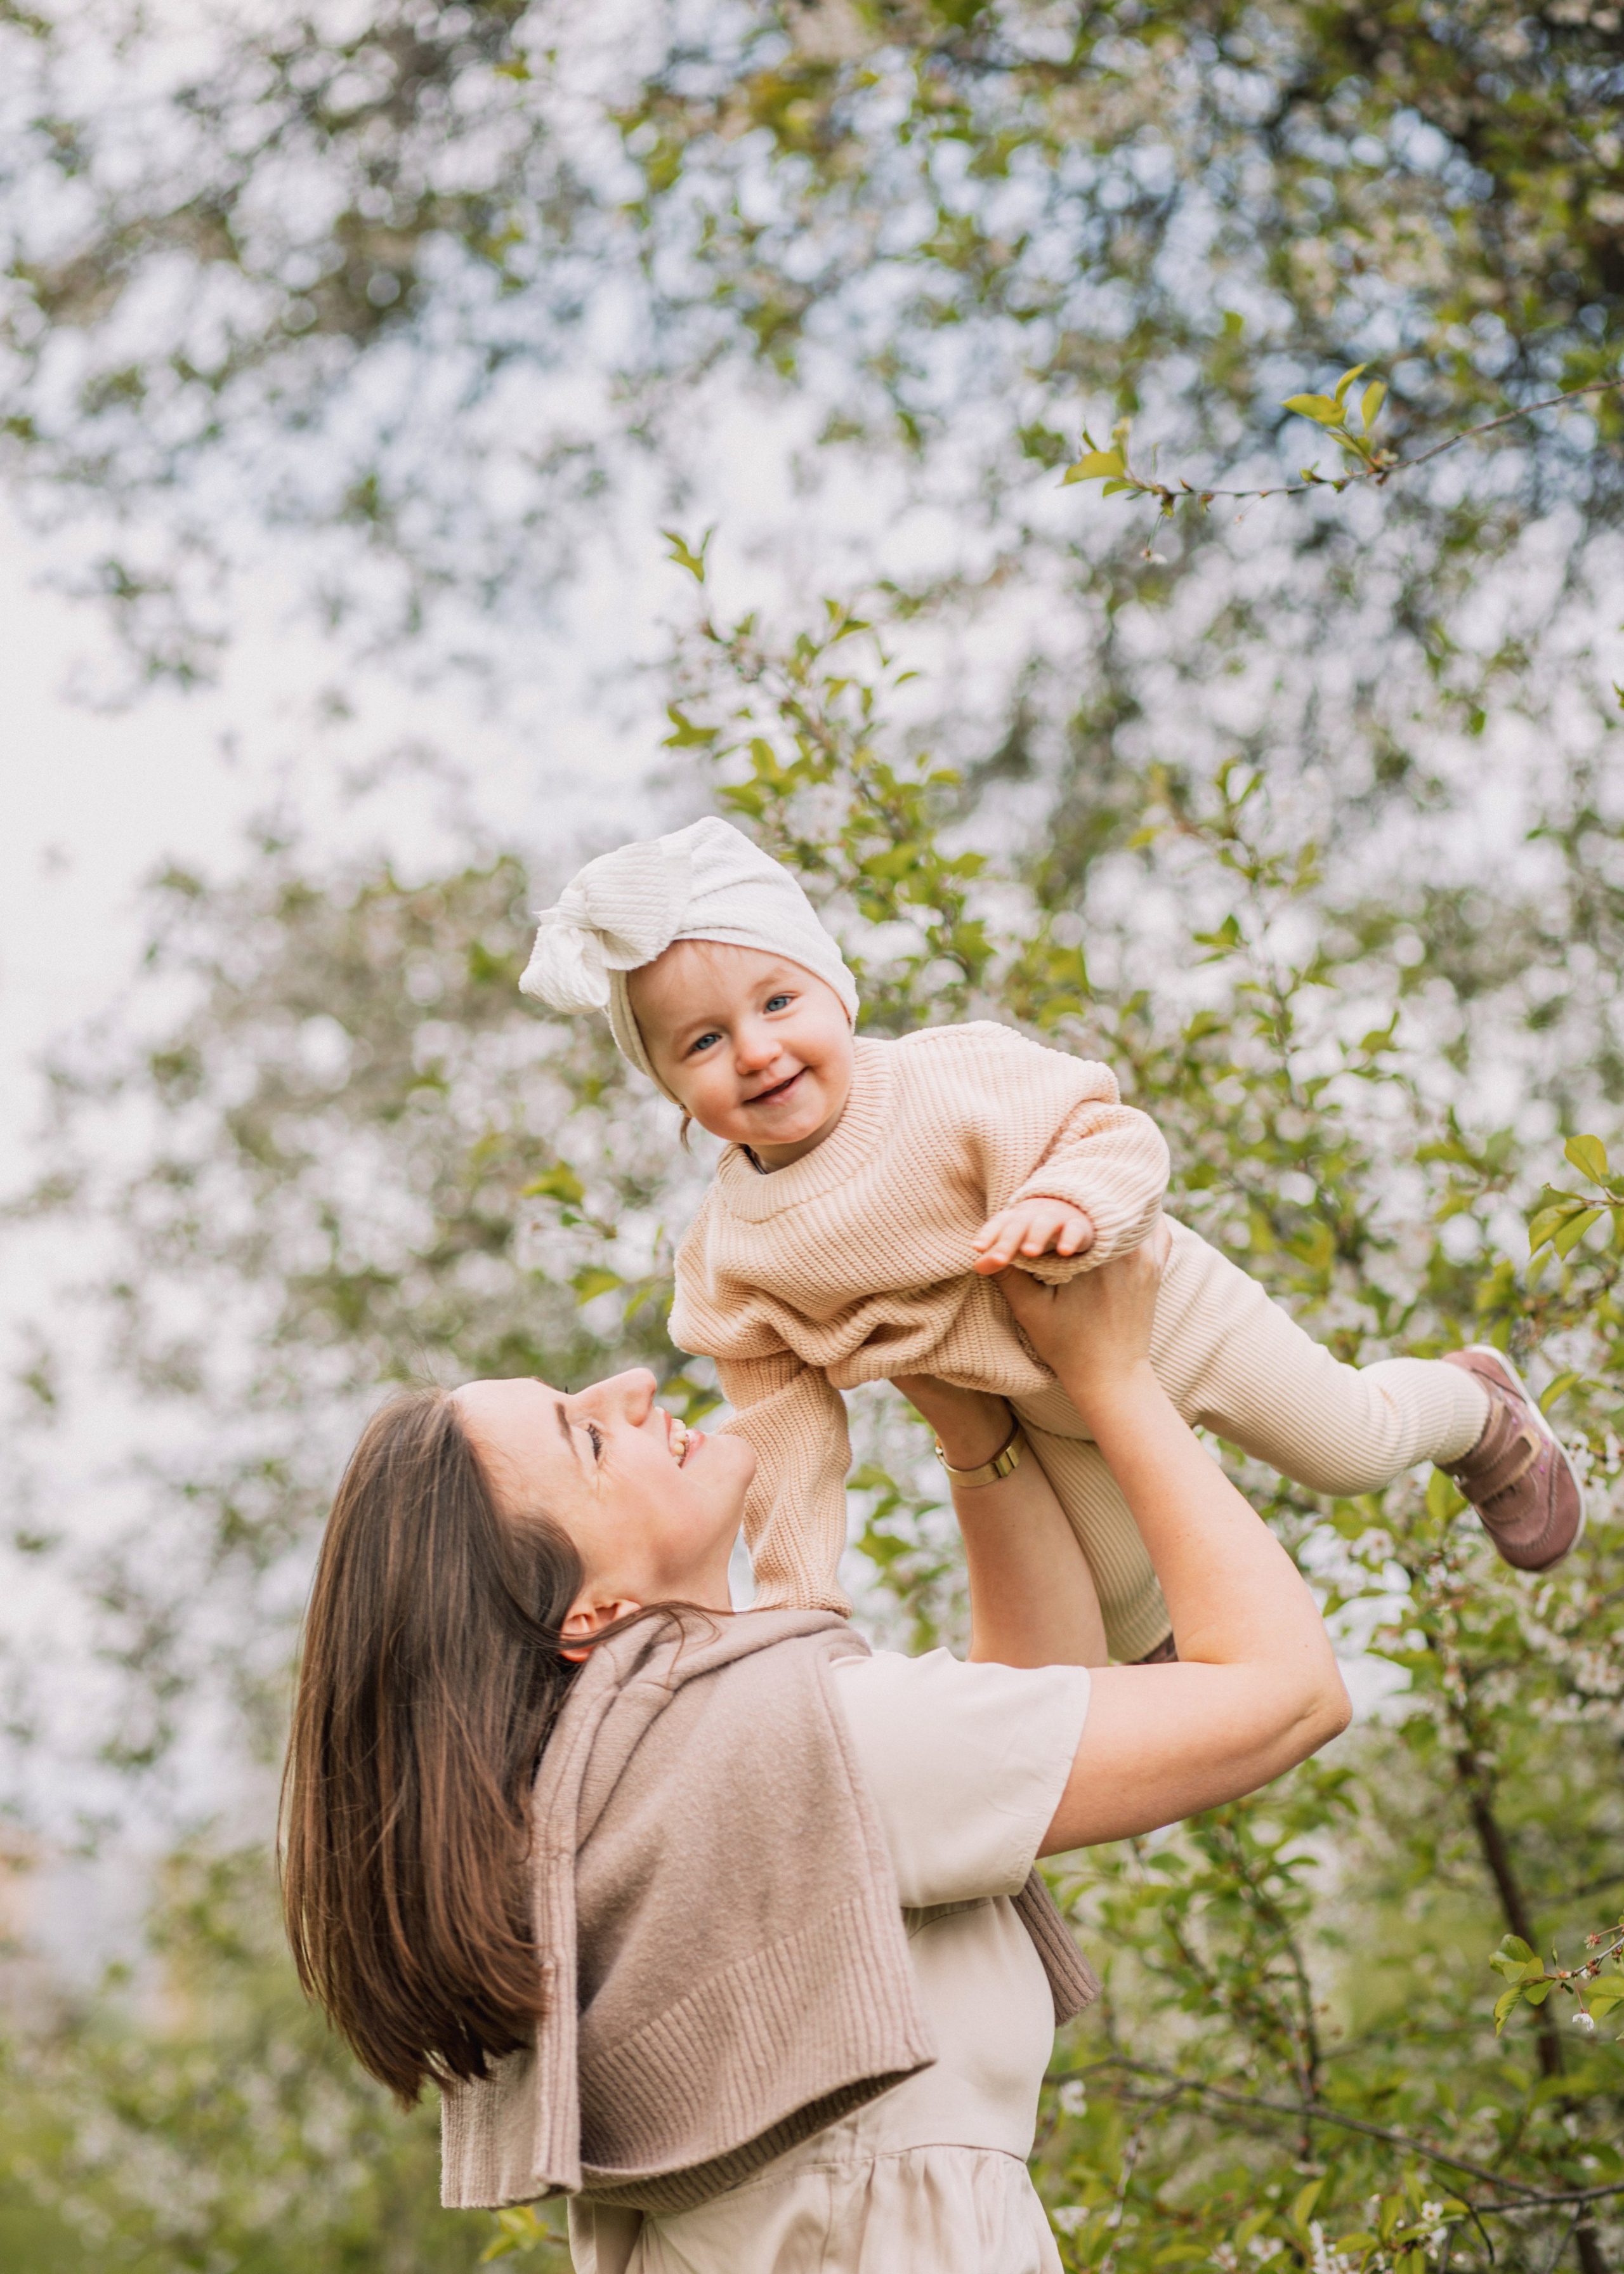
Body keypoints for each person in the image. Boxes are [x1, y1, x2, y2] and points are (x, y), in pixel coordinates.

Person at [283, 1240, 1352, 2271]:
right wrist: (1112, 1375)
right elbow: (1286, 1694)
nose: (633, 1385)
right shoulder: (786, 1736)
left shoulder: (627, 1787)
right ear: (589, 1610)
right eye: (589, 1440)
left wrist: (973, 1423)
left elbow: (1001, 1740)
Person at [516, 815, 1583, 1662]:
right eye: (703, 1042)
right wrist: (801, 1600)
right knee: (1123, 1601)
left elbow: (1116, 1135)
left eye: (779, 1000)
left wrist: (1073, 1201)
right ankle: (1195, 1683)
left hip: (1167, 1316)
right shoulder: (730, 1254)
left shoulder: (946, 1080)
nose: (756, 1050)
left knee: (1346, 1447)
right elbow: (786, 1435)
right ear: (670, 1087)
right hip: (1042, 1404)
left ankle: (1475, 1407)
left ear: (839, 992)